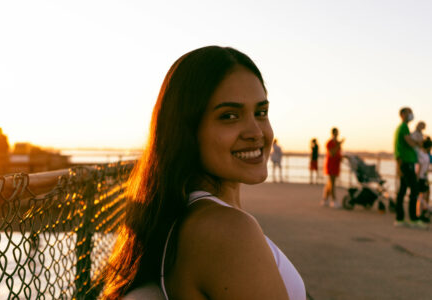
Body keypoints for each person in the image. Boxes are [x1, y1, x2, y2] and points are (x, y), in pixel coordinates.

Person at [101, 46, 305, 300]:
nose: (256, 132)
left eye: (260, 113)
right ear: (187, 130)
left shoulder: (188, 215)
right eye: (229, 116)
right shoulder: (226, 229)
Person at [393, 107, 427, 229]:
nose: (411, 115)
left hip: (406, 162)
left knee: (402, 190)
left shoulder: (403, 127)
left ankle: (400, 218)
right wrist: (419, 143)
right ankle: (413, 218)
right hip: (406, 163)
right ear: (402, 114)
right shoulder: (403, 127)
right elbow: (409, 142)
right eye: (409, 112)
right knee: (414, 189)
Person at [322, 128, 344, 208]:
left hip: (336, 165)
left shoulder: (337, 143)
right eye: (335, 133)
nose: (336, 134)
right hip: (330, 165)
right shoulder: (329, 143)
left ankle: (325, 199)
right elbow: (331, 153)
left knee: (330, 183)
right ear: (332, 133)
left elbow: (338, 153)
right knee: (332, 183)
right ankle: (333, 200)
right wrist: (338, 145)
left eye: (337, 133)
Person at [416, 137, 431, 222]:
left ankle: (422, 213)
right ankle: (419, 214)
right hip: (420, 178)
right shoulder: (422, 155)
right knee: (421, 196)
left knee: (424, 196)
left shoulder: (426, 155)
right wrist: (417, 179)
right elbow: (419, 166)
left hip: (423, 178)